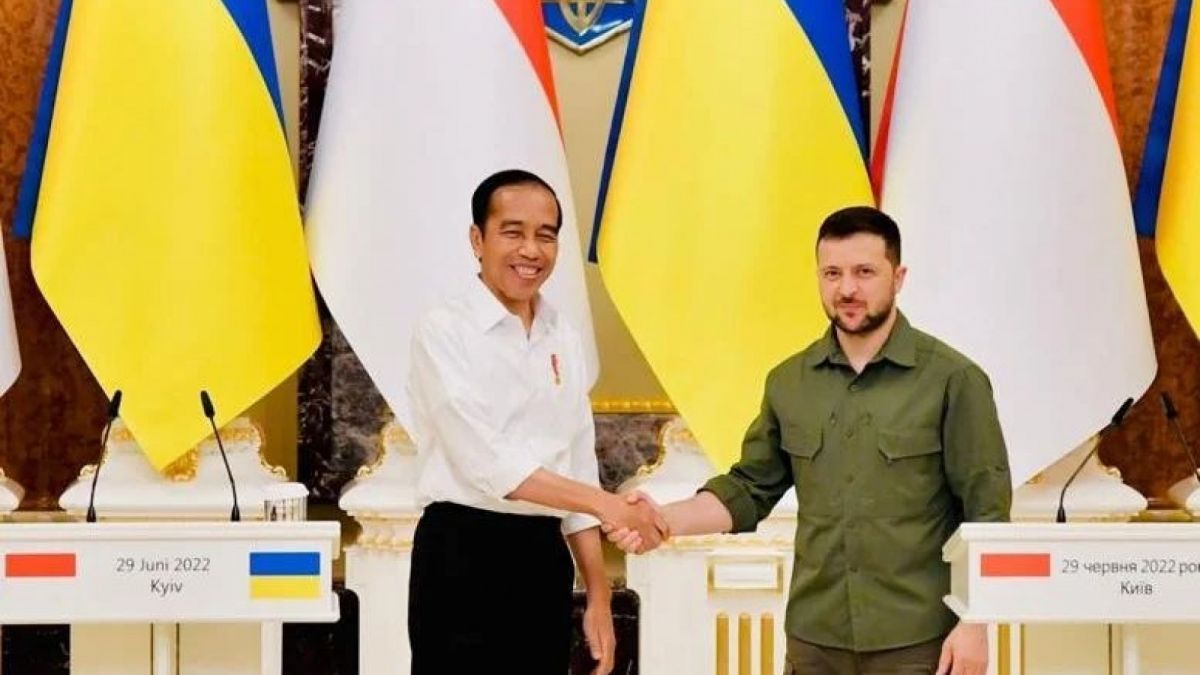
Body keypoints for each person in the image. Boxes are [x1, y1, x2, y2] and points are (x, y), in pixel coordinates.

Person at [608, 206, 1012, 675]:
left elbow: (987, 514)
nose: (847, 289)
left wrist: (977, 623)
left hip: (921, 642)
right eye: (832, 273)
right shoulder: (789, 382)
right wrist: (663, 521)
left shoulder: (954, 380)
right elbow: (749, 490)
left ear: (898, 277)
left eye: (865, 272)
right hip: (815, 643)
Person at [407, 169, 666, 675]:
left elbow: (577, 464)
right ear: (477, 240)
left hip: (541, 557)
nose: (531, 250)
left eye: (545, 236)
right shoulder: (443, 330)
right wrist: (612, 506)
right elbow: (489, 464)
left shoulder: (561, 335)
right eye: (513, 232)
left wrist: (596, 592)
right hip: (462, 552)